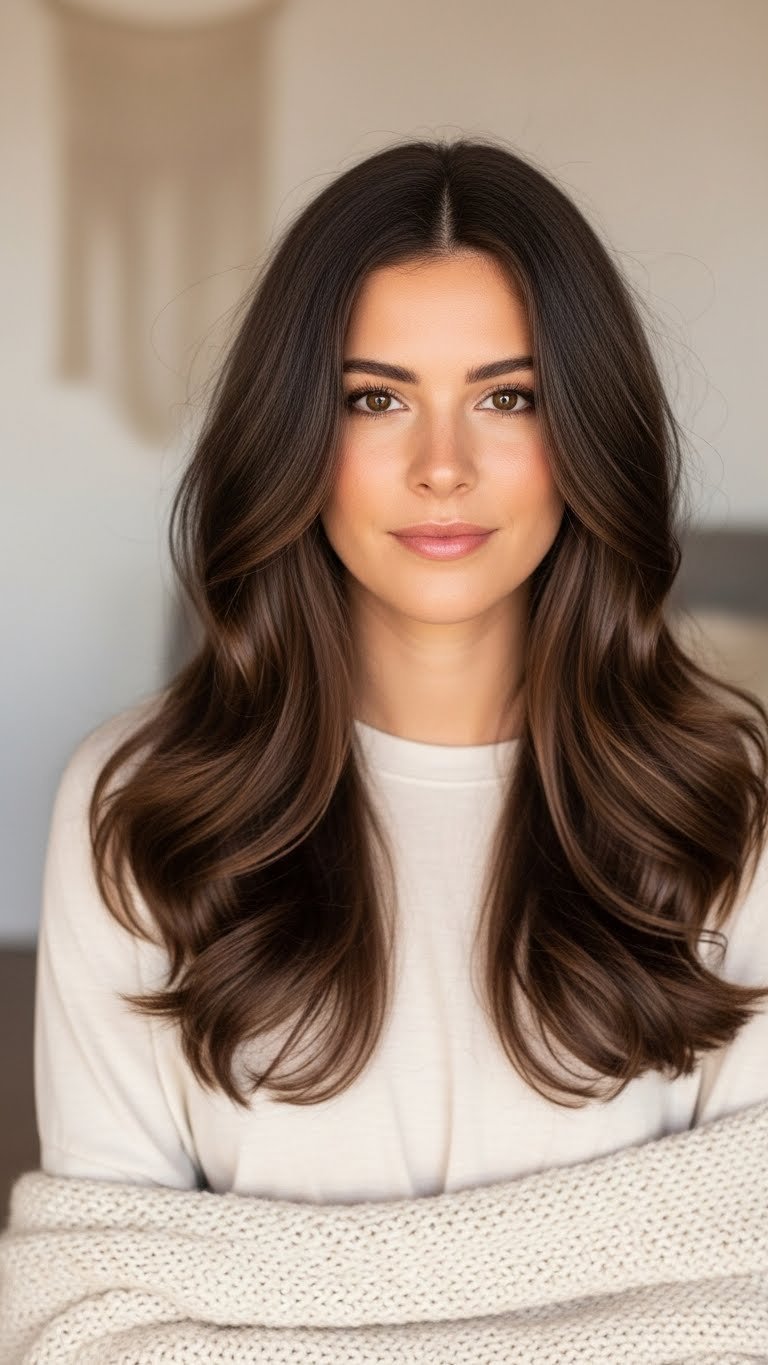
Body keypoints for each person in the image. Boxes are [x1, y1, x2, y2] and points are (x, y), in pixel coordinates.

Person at [34, 136, 768, 1202]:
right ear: (293, 434)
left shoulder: (725, 801)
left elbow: (743, 1284)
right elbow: (100, 1289)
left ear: (587, 434)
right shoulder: (141, 804)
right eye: (376, 399)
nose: (441, 467)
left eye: (506, 398)